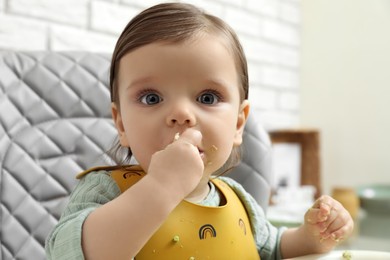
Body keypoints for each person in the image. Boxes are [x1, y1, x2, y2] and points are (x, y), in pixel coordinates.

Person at [45, 3, 353, 259]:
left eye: (207, 98)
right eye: (151, 98)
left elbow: (272, 250)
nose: (181, 115)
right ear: (122, 123)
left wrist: (312, 238)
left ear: (237, 123)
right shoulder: (106, 192)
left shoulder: (239, 200)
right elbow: (70, 253)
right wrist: (161, 187)